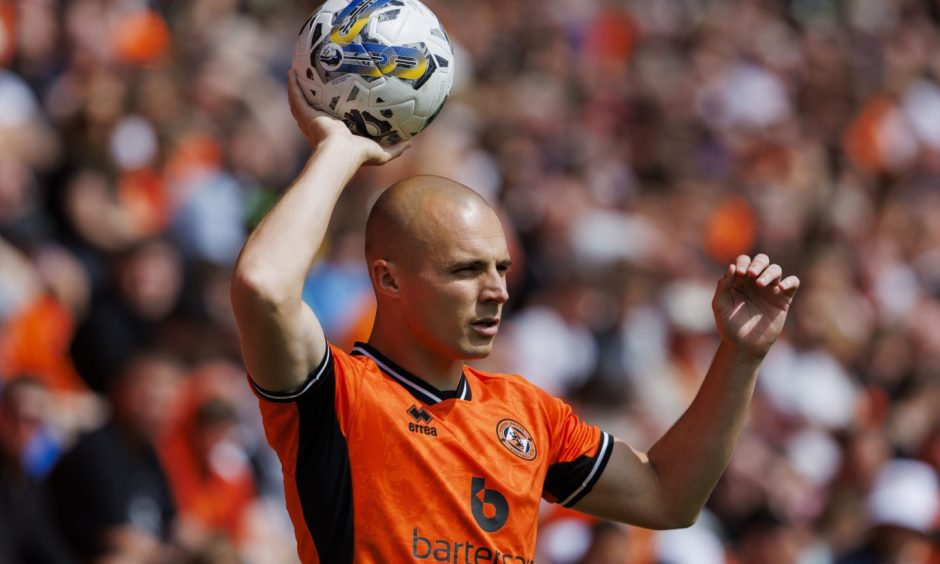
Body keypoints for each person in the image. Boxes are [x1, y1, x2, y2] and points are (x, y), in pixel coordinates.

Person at [229, 72, 801, 563]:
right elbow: (264, 285)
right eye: (466, 271)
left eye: (501, 268)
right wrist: (341, 149)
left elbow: (668, 496)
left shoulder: (529, 413)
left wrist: (740, 354)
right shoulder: (335, 396)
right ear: (389, 278)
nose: (497, 291)